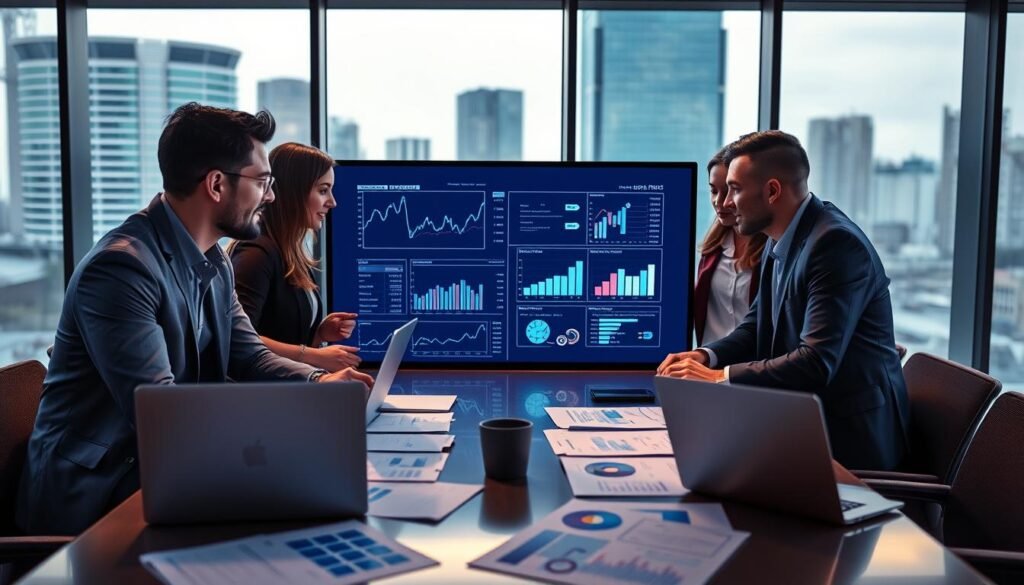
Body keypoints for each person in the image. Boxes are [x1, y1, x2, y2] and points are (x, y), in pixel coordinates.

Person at [17, 103, 374, 536]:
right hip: (99, 497)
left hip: (163, 470)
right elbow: (161, 412)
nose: (271, 196)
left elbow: (250, 356)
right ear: (217, 184)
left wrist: (321, 385)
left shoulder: (213, 262)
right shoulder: (121, 269)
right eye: (262, 182)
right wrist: (294, 414)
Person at [658, 130, 909, 471]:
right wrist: (705, 356)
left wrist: (718, 377)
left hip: (848, 444)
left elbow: (816, 361)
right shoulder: (780, 239)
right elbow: (754, 327)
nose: (726, 204)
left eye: (735, 189)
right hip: (800, 423)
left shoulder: (835, 244)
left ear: (772, 191)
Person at [230, 142, 360, 372]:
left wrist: (319, 333)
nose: (332, 202)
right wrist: (315, 356)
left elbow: (282, 333)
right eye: (323, 190)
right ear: (294, 193)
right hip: (265, 391)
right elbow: (238, 341)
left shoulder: (290, 252)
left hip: (289, 385)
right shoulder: (255, 254)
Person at [694, 148, 767, 346]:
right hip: (707, 360)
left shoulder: (774, 251)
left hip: (754, 362)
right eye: (713, 191)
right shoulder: (712, 249)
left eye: (728, 191)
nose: (719, 201)